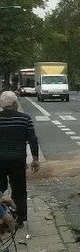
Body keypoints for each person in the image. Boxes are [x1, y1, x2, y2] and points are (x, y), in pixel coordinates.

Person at [0, 91, 40, 227]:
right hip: (18, 160)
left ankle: (2, 216)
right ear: (15, 104)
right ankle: (19, 219)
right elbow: (33, 139)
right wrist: (35, 159)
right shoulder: (25, 118)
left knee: (0, 189)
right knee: (19, 189)